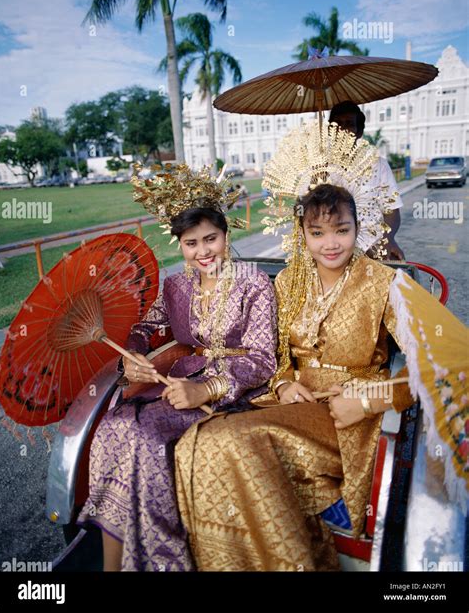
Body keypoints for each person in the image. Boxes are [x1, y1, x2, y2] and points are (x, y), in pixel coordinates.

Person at [174, 183, 413, 571]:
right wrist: (284, 383)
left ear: (358, 227)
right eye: (317, 233)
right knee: (197, 443)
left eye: (342, 229)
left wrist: (371, 401)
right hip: (290, 404)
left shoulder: (383, 282)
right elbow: (277, 355)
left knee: (226, 439)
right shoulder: (287, 281)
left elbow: (433, 364)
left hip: (346, 411)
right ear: (302, 233)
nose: (330, 244)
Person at [77, 164, 277, 571]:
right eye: (191, 243)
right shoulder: (176, 285)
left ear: (226, 235)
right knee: (115, 424)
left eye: (211, 239)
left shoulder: (254, 283)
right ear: (180, 245)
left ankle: (164, 559)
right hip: (182, 379)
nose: (203, 252)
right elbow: (146, 326)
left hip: (232, 391)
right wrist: (132, 353)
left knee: (146, 435)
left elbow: (262, 359)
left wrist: (209, 389)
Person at [329, 101, 405, 260]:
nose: (342, 129)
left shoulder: (378, 165)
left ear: (359, 131)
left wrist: (387, 240)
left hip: (374, 247)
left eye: (349, 124)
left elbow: (392, 210)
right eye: (337, 124)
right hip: (332, 250)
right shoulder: (319, 168)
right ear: (330, 130)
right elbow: (306, 213)